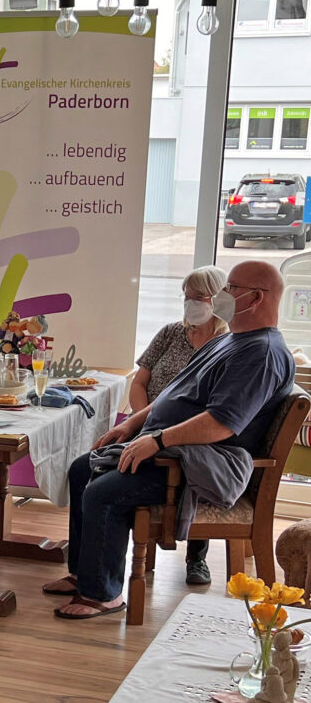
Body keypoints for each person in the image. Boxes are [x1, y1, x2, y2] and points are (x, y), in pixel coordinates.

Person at [44, 260, 294, 619]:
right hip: (165, 446)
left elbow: (221, 424)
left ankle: (103, 595)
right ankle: (85, 574)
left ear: (255, 298)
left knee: (103, 493)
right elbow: (172, 395)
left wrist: (157, 441)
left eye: (231, 288)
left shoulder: (262, 353)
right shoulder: (230, 341)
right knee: (82, 469)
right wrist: (131, 426)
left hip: (189, 462)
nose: (222, 295)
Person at [130, 265, 229, 586]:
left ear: (218, 300)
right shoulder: (171, 333)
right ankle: (136, 542)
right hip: (149, 424)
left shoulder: (226, 344)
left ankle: (196, 557)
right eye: (186, 297)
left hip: (192, 432)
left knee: (194, 465)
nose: (190, 305)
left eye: (198, 298)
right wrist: (142, 419)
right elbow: (139, 381)